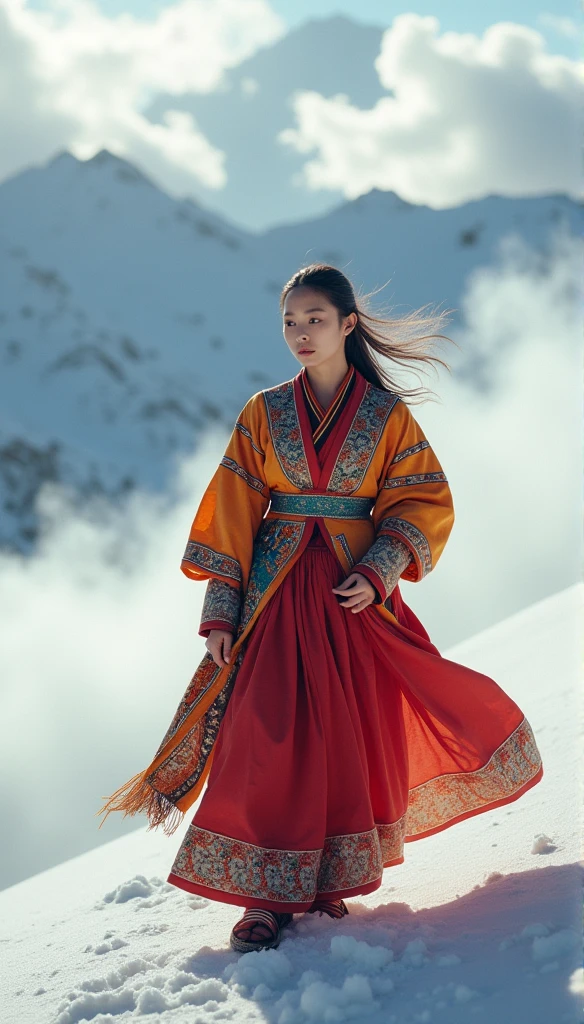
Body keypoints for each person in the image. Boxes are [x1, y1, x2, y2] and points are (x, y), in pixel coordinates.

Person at [97, 263, 543, 955]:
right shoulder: (264, 411)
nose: (300, 333)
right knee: (264, 736)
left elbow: (422, 499)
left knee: (346, 736)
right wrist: (221, 609)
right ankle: (265, 897)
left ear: (347, 325)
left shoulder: (387, 417)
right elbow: (235, 509)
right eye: (289, 322)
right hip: (274, 595)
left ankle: (325, 877)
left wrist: (381, 568)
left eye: (314, 319)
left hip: (350, 595)